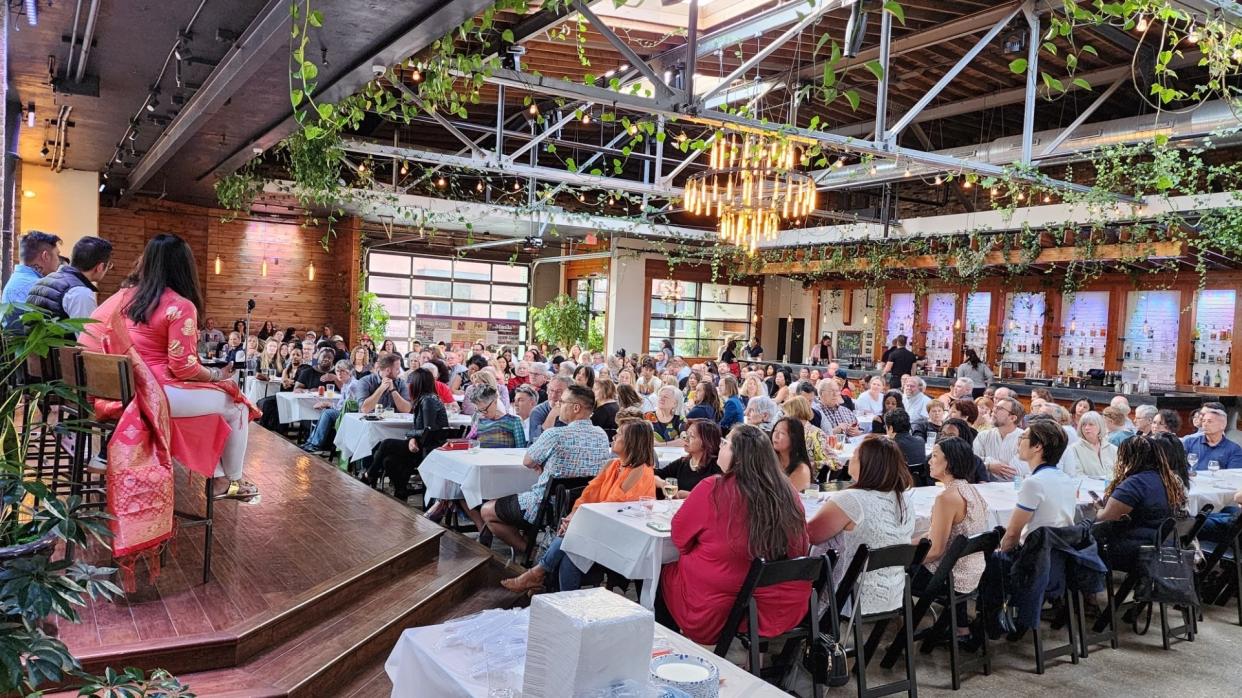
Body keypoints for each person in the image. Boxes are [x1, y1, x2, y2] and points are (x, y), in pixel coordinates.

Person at [79, 233, 258, 509]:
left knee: (216, 405)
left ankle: (221, 476)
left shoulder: (129, 300)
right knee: (237, 405)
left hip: (131, 388)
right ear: (184, 265)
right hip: (158, 393)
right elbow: (183, 367)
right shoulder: (180, 306)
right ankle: (229, 481)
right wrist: (216, 377)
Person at [657, 424, 810, 643]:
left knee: (664, 571)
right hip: (779, 599)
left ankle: (670, 648)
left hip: (719, 601)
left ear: (739, 455)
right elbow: (800, 548)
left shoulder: (713, 488)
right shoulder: (787, 492)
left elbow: (680, 538)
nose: (721, 446)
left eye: (726, 442)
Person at [502, 421, 658, 593]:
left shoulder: (640, 470)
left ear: (631, 442)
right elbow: (588, 495)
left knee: (573, 540)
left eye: (619, 434)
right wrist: (572, 516)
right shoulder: (612, 465)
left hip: (622, 533)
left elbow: (613, 505)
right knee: (572, 549)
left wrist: (579, 521)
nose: (613, 437)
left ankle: (538, 574)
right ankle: (562, 596)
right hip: (598, 526)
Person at [481, 385, 612, 553]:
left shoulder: (555, 434)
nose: (558, 406)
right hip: (582, 507)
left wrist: (541, 464)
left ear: (576, 407)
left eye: (562, 402)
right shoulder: (601, 434)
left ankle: (533, 553)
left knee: (487, 511)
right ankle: (538, 549)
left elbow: (528, 461)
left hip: (545, 507)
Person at [808, 435, 916, 615]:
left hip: (851, 595)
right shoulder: (903, 498)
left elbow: (810, 534)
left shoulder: (852, 500)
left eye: (856, 455)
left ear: (867, 464)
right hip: (893, 591)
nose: (851, 458)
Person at [918, 436, 990, 638]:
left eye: (934, 456)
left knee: (895, 570)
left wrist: (905, 560)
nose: (930, 461)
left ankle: (900, 635)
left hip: (951, 577)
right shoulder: (970, 489)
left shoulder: (946, 498)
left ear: (948, 462)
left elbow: (936, 551)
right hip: (973, 569)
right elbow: (941, 535)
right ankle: (961, 627)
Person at [1095, 435, 1187, 573]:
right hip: (1164, 543)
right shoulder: (1169, 479)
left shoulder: (1135, 484)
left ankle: (1087, 590)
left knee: (1086, 538)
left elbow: (1106, 518)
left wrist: (1098, 509)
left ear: (1128, 458)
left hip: (1141, 548)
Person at [366, 368, 449, 502]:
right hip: (422, 443)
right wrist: (412, 438)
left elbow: (429, 430)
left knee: (387, 443)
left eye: (410, 382)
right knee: (389, 460)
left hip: (429, 448)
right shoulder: (425, 399)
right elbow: (421, 428)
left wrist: (411, 436)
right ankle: (401, 491)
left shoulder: (428, 400)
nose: (408, 386)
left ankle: (369, 474)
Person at [997, 421, 1074, 552]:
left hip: (1035, 557)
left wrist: (1000, 557)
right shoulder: (1066, 479)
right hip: (1061, 554)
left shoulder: (1034, 483)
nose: (1018, 442)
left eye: (1022, 437)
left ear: (1037, 446)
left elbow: (1012, 534)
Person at [24, 236, 113, 324]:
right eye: (109, 266)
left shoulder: (42, 281)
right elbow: (87, 336)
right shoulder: (80, 293)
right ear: (100, 267)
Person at [299, 360, 356, 454]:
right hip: (344, 412)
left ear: (349, 372)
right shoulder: (346, 385)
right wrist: (327, 404)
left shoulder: (353, 385)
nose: (339, 374)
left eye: (343, 371)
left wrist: (328, 404)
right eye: (338, 371)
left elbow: (346, 407)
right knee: (325, 411)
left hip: (350, 415)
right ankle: (311, 442)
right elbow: (340, 405)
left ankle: (315, 444)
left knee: (327, 413)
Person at [655, 420, 723, 499]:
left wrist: (691, 495)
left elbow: (720, 498)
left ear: (706, 441)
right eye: (686, 434)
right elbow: (652, 475)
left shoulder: (716, 467)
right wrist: (662, 483)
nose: (685, 439)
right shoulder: (683, 462)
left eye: (691, 436)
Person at [2, 231, 61, 317]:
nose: (59, 261)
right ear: (45, 256)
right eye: (57, 255)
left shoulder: (17, 280)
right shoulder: (37, 287)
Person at [972, 396, 1027, 480]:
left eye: (1000, 408)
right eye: (995, 407)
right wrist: (989, 466)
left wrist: (985, 461)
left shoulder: (1025, 439)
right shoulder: (983, 436)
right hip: (984, 487)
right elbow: (972, 462)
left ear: (1012, 418)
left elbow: (1014, 473)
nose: (993, 410)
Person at [1182, 402, 1242, 470]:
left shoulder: (1234, 449)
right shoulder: (1189, 443)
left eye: (1209, 421)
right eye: (1204, 421)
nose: (1205, 424)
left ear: (1223, 425)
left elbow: (1233, 476)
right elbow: (1179, 469)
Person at [1060, 410, 1116, 478]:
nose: (1086, 428)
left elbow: (1119, 472)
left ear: (1100, 426)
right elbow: (1076, 475)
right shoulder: (1073, 449)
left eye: (1091, 424)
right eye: (1083, 425)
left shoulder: (1113, 449)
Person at [938, 418, 989, 483]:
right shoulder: (932, 460)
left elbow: (983, 485)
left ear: (962, 437)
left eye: (951, 435)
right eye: (943, 434)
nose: (944, 438)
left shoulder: (975, 461)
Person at [772, 416, 815, 491]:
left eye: (782, 433)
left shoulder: (801, 469)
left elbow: (785, 497)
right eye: (775, 431)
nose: (776, 436)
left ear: (794, 438)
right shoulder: (770, 459)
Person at [528, 375, 568, 441]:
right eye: (551, 390)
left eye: (559, 392)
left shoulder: (574, 410)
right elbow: (536, 441)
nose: (553, 395)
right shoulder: (538, 411)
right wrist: (553, 414)